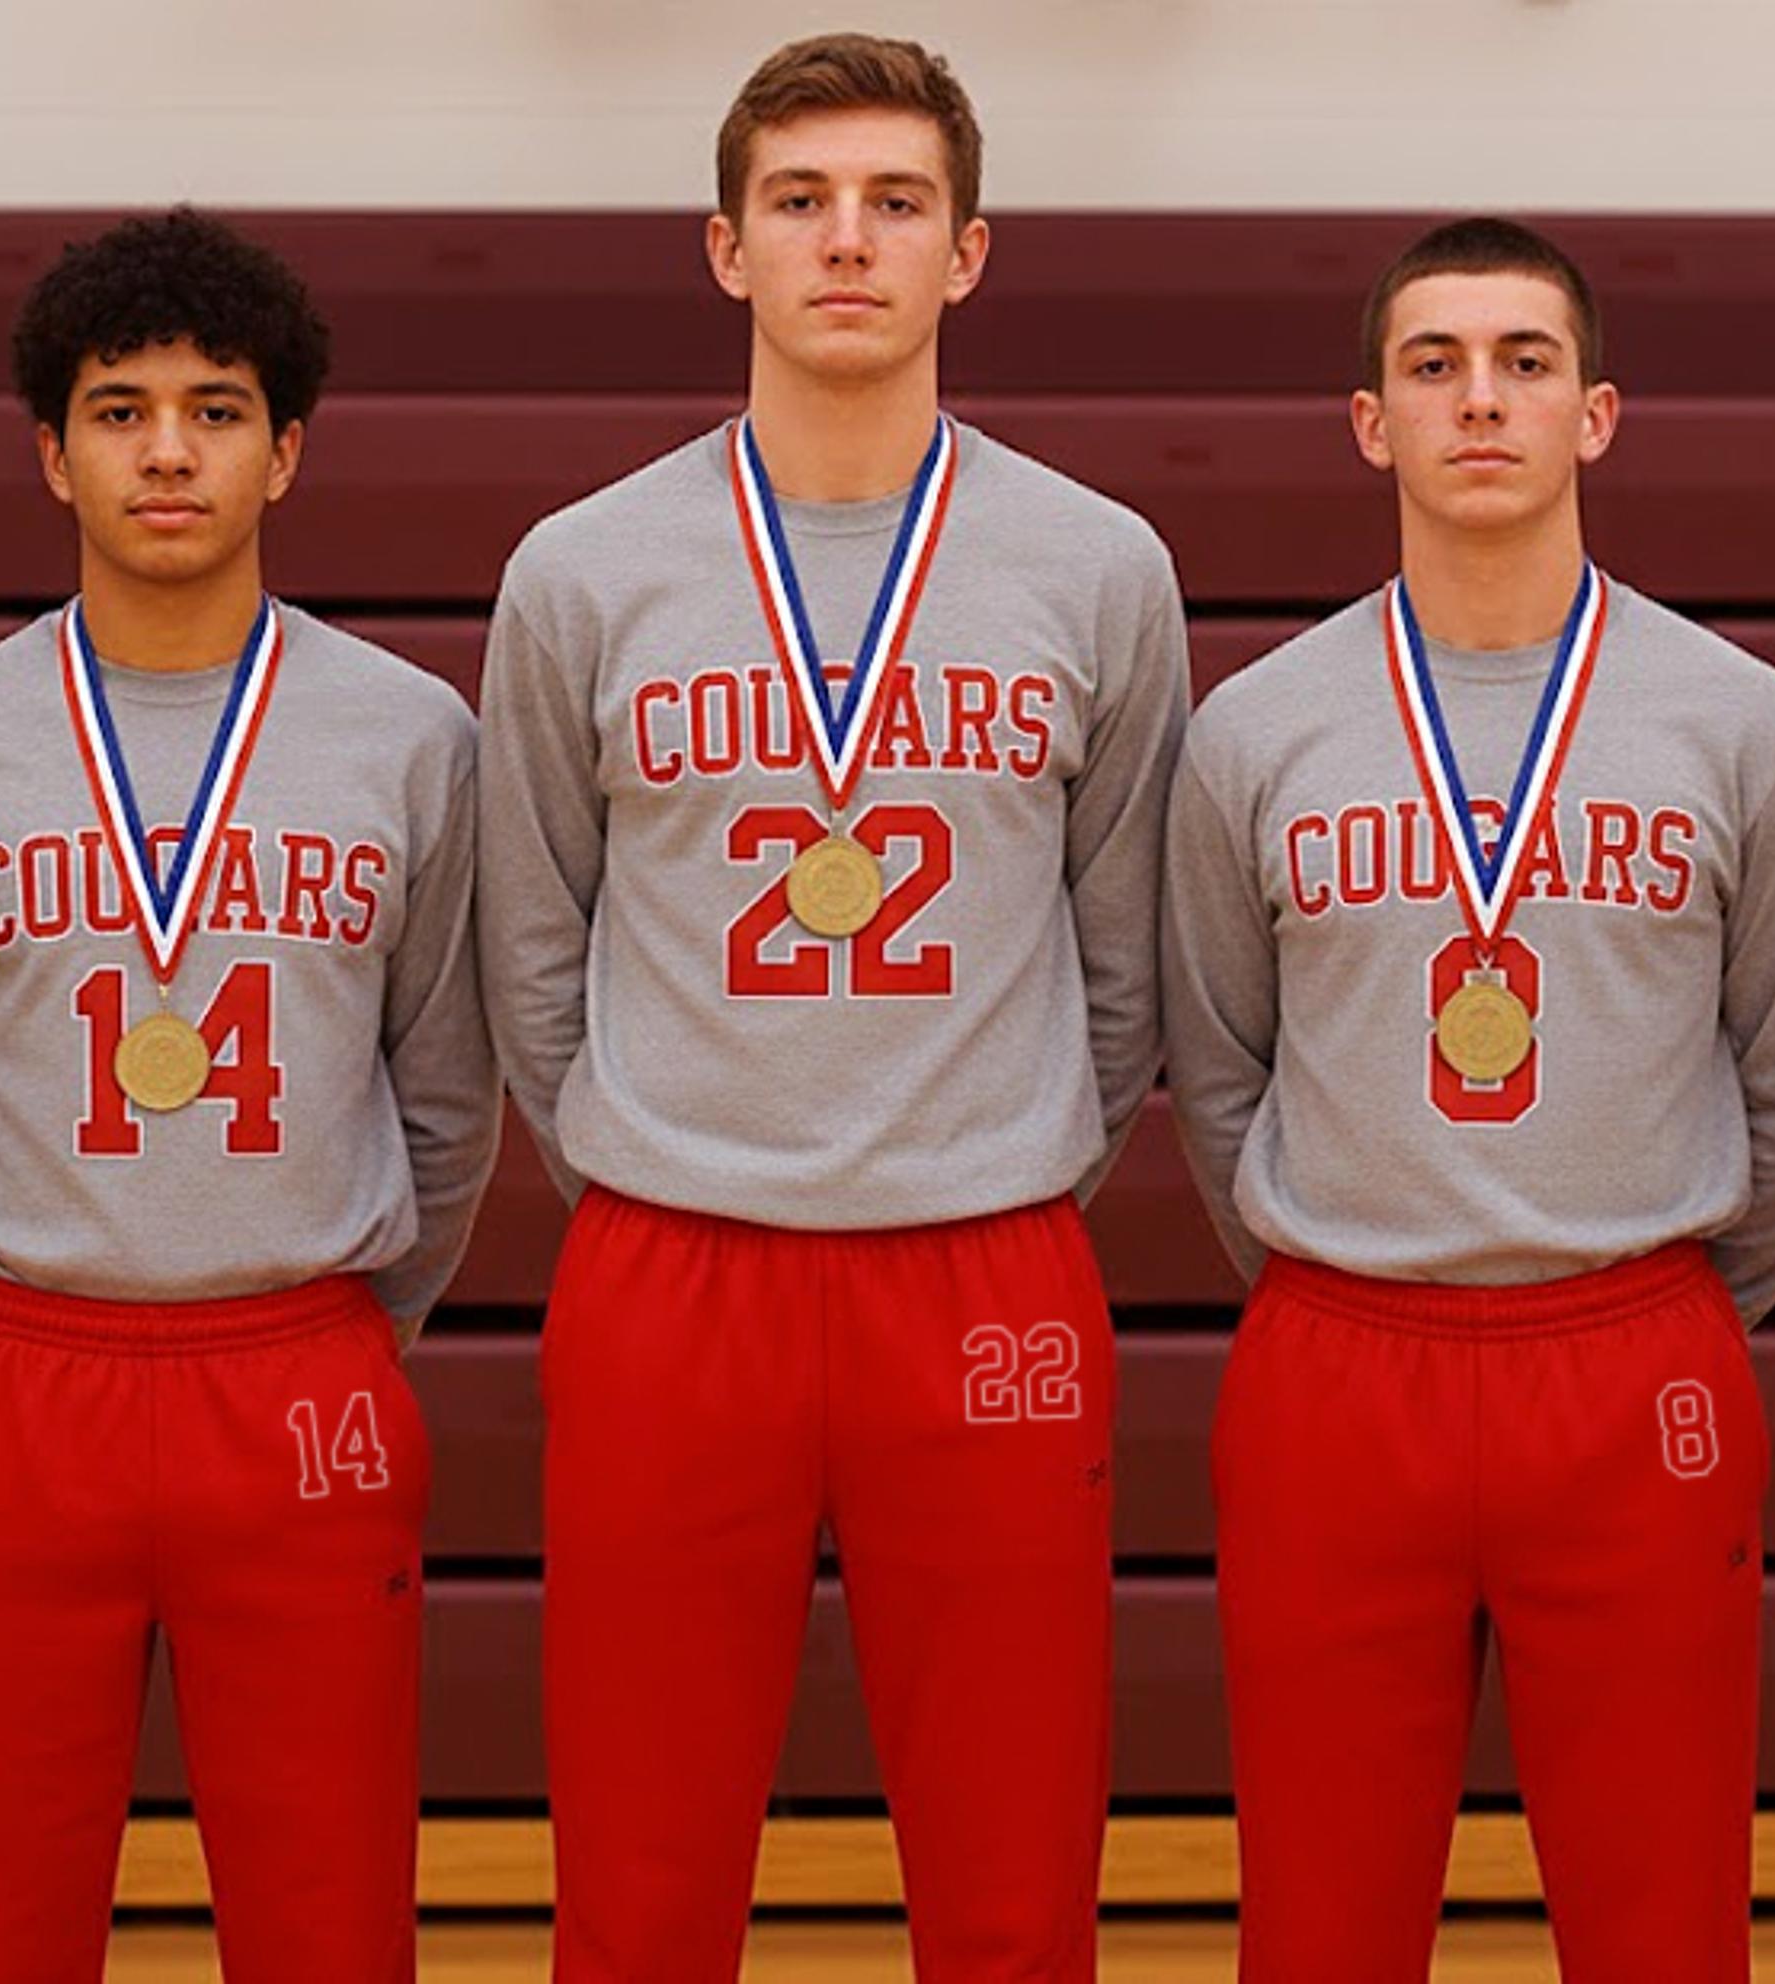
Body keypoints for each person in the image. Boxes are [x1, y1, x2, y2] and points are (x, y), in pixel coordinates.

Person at [474, 31, 1189, 1981]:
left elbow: (1124, 958)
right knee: (640, 1880)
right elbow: (534, 945)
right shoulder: (582, 572)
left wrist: (989, 1145)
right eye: (800, 202)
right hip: (672, 1261)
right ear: (727, 247)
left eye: (895, 202)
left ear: (970, 251)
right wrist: (668, 1146)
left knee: (1014, 1882)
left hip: (983, 1261)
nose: (847, 241)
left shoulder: (1100, 566)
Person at [1163, 216, 1775, 1983]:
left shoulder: (1741, 721)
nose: (1481, 401)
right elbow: (1219, 1063)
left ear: (1595, 414)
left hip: (1634, 1354)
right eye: (1435, 365)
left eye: (1525, 363)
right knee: (1319, 1923)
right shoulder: (1255, 729)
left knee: (1662, 1919)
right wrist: (1353, 1261)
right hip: (1340, 1356)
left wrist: (1662, 1298)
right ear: (1372, 422)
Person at [0, 207, 496, 1984]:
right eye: (120, 412)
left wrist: (339, 1321)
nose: (170, 451)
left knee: (329, 1917)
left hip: (300, 1370)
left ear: (287, 450)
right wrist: (7, 1307)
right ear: (54, 456)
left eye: (216, 410)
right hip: (17, 1370)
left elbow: (448, 1089)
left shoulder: (413, 736)